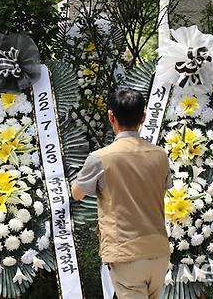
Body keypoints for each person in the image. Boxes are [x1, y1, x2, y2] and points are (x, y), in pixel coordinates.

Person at [71, 88, 171, 299]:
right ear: (143, 117)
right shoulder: (160, 155)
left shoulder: (100, 157)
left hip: (125, 253)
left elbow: (77, 193)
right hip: (159, 251)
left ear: (111, 116)